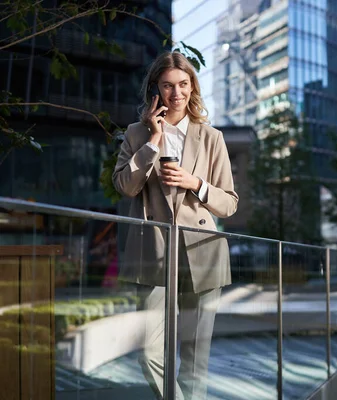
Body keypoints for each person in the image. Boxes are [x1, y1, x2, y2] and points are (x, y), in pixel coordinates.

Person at [112, 51, 238, 400]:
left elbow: (228, 203)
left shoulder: (211, 137)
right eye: (167, 86)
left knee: (195, 359)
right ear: (156, 90)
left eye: (183, 84)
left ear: (193, 87)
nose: (176, 93)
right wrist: (153, 141)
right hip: (153, 254)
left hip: (203, 254)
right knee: (149, 353)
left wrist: (194, 182)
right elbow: (125, 186)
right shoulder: (137, 134)